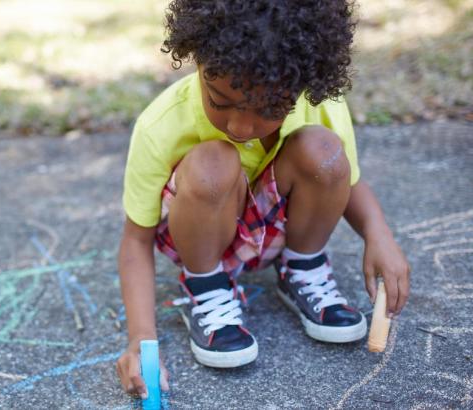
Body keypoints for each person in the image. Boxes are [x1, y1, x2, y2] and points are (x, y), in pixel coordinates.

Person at [115, 0, 411, 399]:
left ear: (304, 85)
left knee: (323, 150)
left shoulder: (320, 106)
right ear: (197, 60)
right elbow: (136, 239)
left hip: (278, 229)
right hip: (201, 233)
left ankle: (302, 268)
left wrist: (379, 235)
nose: (239, 126)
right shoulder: (161, 124)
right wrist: (141, 341)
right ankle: (206, 287)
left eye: (269, 108)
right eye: (219, 101)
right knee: (213, 161)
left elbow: (349, 180)